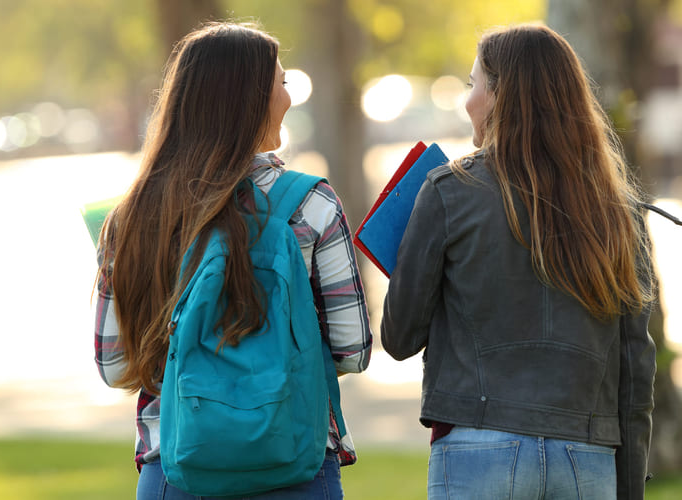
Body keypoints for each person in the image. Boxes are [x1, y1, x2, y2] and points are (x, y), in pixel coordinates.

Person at [93, 22, 372, 500]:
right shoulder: (312, 205)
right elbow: (353, 350)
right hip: (295, 464)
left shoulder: (132, 217)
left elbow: (115, 365)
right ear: (252, 100)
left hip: (177, 470)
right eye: (282, 83)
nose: (288, 97)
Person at [381, 24, 656, 499]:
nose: (468, 101)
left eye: (473, 85)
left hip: (476, 447)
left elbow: (399, 338)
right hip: (587, 456)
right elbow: (636, 371)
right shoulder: (619, 211)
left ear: (499, 96)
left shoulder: (449, 191)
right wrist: (628, 485)